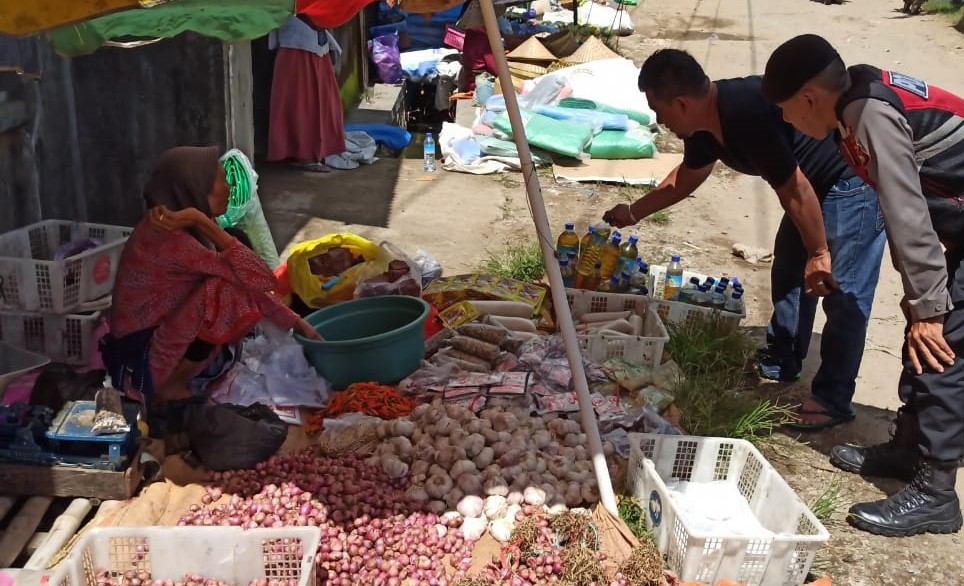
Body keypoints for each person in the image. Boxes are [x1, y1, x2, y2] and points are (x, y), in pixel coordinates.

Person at [602, 49, 886, 430]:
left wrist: (819, 252)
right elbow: (685, 179)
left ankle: (832, 399)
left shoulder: (745, 114)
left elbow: (795, 190)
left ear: (682, 103)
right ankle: (781, 359)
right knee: (788, 271)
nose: (659, 121)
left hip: (846, 183)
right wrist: (633, 212)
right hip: (809, 188)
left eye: (659, 110)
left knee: (841, 290)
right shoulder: (702, 127)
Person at [762, 33, 964, 537]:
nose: (790, 125)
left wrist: (929, 309)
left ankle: (937, 494)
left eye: (787, 113)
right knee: (923, 335)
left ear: (809, 98)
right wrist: (922, 297)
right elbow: (905, 209)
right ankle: (908, 450)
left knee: (942, 346)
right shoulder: (855, 106)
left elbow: (906, 209)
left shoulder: (868, 115)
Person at [104, 146, 320, 437]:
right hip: (141, 363)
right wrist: (200, 220)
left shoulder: (177, 232)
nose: (229, 186)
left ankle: (179, 379)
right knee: (225, 290)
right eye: (220, 179)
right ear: (195, 188)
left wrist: (299, 323)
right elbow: (260, 278)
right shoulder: (170, 239)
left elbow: (254, 281)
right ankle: (169, 387)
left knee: (233, 265)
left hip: (154, 344)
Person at [267, 15, 346, 172]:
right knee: (301, 103)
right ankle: (302, 154)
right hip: (296, 42)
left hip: (314, 39)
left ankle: (314, 151)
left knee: (320, 102)